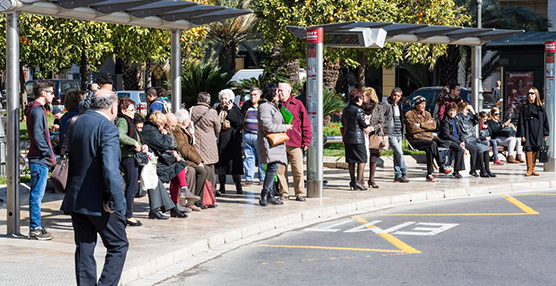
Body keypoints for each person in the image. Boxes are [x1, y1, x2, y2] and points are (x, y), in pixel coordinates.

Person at [60, 89, 128, 285]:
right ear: (113, 107)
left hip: (77, 197)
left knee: (84, 247)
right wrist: (116, 200)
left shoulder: (76, 122)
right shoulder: (107, 128)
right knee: (118, 246)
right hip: (101, 200)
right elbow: (110, 168)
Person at [140, 111, 189, 218]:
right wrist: (166, 135)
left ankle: (174, 205)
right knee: (159, 176)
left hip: (155, 160)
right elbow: (163, 145)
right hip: (152, 162)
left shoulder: (153, 129)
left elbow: (169, 145)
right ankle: (171, 207)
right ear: (160, 123)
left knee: (179, 166)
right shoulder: (151, 130)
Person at [24, 80, 56, 240]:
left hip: (39, 157)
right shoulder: (37, 111)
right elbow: (38, 136)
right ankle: (34, 228)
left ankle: (36, 226)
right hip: (39, 158)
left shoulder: (36, 110)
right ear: (43, 93)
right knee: (37, 195)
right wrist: (49, 155)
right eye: (51, 92)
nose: (53, 95)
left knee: (37, 194)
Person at [276, 82, 312, 202]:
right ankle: (284, 192)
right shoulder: (275, 105)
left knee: (298, 170)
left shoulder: (297, 104)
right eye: (278, 90)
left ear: (288, 92)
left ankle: (300, 192)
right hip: (280, 143)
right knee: (281, 171)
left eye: (281, 90)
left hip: (295, 142)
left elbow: (305, 123)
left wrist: (306, 141)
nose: (279, 92)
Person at [258, 84, 292, 206]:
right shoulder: (264, 107)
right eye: (277, 92)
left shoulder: (273, 106)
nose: (278, 94)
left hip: (275, 143)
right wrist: (285, 127)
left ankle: (270, 194)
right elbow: (268, 126)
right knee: (272, 167)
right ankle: (264, 193)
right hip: (269, 142)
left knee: (273, 167)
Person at [174, 109, 215, 210]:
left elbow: (191, 148)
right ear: (184, 120)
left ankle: (205, 198)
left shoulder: (184, 129)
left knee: (208, 169)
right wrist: (197, 161)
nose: (189, 120)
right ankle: (197, 199)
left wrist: (200, 160)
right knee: (201, 171)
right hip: (184, 160)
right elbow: (184, 149)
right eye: (188, 118)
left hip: (189, 159)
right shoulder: (178, 130)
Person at [115, 98, 148, 226]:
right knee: (131, 186)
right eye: (131, 110)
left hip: (130, 156)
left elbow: (137, 136)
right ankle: (128, 215)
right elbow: (120, 135)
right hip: (128, 156)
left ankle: (127, 213)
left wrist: (143, 144)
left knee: (132, 185)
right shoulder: (123, 120)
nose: (134, 112)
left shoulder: (128, 121)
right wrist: (134, 142)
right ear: (124, 110)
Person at [405, 96, 451, 182]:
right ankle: (441, 165)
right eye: (421, 104)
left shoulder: (427, 114)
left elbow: (433, 126)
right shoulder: (409, 114)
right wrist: (426, 125)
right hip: (416, 140)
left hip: (427, 139)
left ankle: (429, 174)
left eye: (424, 104)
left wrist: (421, 125)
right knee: (432, 144)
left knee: (430, 149)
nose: (423, 106)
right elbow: (412, 129)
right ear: (416, 104)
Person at [215, 89, 244, 195]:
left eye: (225, 98)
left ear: (230, 99)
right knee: (221, 167)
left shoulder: (235, 109)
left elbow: (238, 122)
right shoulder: (217, 109)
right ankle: (222, 186)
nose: (223, 101)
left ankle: (238, 186)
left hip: (232, 141)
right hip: (221, 140)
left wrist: (230, 111)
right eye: (222, 98)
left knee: (234, 166)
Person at [190, 91, 221, 189]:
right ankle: (210, 193)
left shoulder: (191, 110)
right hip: (209, 144)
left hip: (195, 143)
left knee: (197, 168)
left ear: (198, 100)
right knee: (210, 169)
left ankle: (197, 190)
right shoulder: (212, 112)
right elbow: (218, 128)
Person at [456, 102, 495, 178]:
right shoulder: (458, 117)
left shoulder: (468, 118)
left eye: (468, 110)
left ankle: (487, 169)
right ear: (461, 109)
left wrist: (473, 111)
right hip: (466, 139)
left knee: (486, 148)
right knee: (480, 149)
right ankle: (481, 170)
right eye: (466, 110)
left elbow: (476, 121)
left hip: (472, 139)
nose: (468, 112)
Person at [517, 87, 549, 176]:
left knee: (536, 148)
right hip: (527, 130)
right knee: (528, 148)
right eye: (529, 94)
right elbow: (521, 122)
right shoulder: (524, 107)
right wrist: (522, 134)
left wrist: (545, 132)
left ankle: (533, 168)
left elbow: (545, 120)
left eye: (532, 93)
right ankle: (529, 169)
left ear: (536, 95)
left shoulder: (541, 108)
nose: (530, 95)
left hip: (538, 131)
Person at [342, 88, 370, 190]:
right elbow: (363, 124)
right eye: (362, 98)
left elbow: (343, 123)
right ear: (357, 98)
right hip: (358, 138)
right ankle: (359, 181)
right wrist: (368, 126)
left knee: (351, 160)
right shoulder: (359, 110)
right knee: (362, 159)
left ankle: (353, 180)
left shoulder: (346, 109)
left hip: (347, 136)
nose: (363, 100)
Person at [241, 87, 265, 186]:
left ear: (260, 95)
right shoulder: (246, 105)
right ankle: (249, 179)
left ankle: (262, 178)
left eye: (255, 94)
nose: (252, 96)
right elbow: (241, 117)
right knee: (248, 157)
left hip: (259, 135)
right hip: (247, 134)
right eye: (251, 94)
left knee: (261, 158)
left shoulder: (263, 106)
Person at [383, 87, 409, 183]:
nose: (396, 97)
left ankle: (397, 175)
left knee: (396, 154)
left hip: (399, 133)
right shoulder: (387, 105)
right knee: (399, 153)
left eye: (398, 96)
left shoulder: (400, 106)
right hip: (391, 133)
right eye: (394, 95)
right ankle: (404, 170)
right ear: (391, 94)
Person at [362, 87, 384, 189]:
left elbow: (381, 122)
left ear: (370, 96)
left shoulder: (378, 107)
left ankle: (371, 179)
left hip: (374, 135)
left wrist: (372, 128)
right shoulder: (360, 106)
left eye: (365, 95)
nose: (362, 97)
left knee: (373, 158)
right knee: (361, 157)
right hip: (362, 133)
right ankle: (360, 179)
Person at [439, 103, 466, 179]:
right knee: (460, 150)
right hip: (447, 141)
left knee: (473, 148)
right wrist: (459, 142)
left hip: (457, 140)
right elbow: (447, 135)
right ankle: (456, 171)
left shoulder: (456, 120)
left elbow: (460, 133)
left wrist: (462, 141)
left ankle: (473, 169)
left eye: (454, 111)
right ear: (447, 111)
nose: (452, 113)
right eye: (451, 111)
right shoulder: (445, 121)